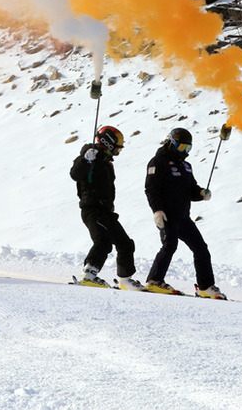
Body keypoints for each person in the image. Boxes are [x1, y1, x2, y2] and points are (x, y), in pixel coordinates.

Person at [144, 128, 225, 299]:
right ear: (171, 143)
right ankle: (154, 281)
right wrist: (157, 210)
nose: (184, 152)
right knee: (170, 245)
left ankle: (205, 287)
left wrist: (201, 193)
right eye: (181, 147)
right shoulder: (158, 162)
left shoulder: (186, 166)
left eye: (188, 149)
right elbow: (151, 189)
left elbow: (191, 189)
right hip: (167, 216)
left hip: (183, 217)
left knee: (201, 249)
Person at [70, 126, 145, 291]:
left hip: (106, 211)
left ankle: (125, 280)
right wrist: (85, 160)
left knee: (125, 244)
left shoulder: (106, 162)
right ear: (107, 142)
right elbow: (75, 174)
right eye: (117, 146)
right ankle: (88, 275)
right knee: (102, 242)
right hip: (92, 209)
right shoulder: (88, 155)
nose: (118, 150)